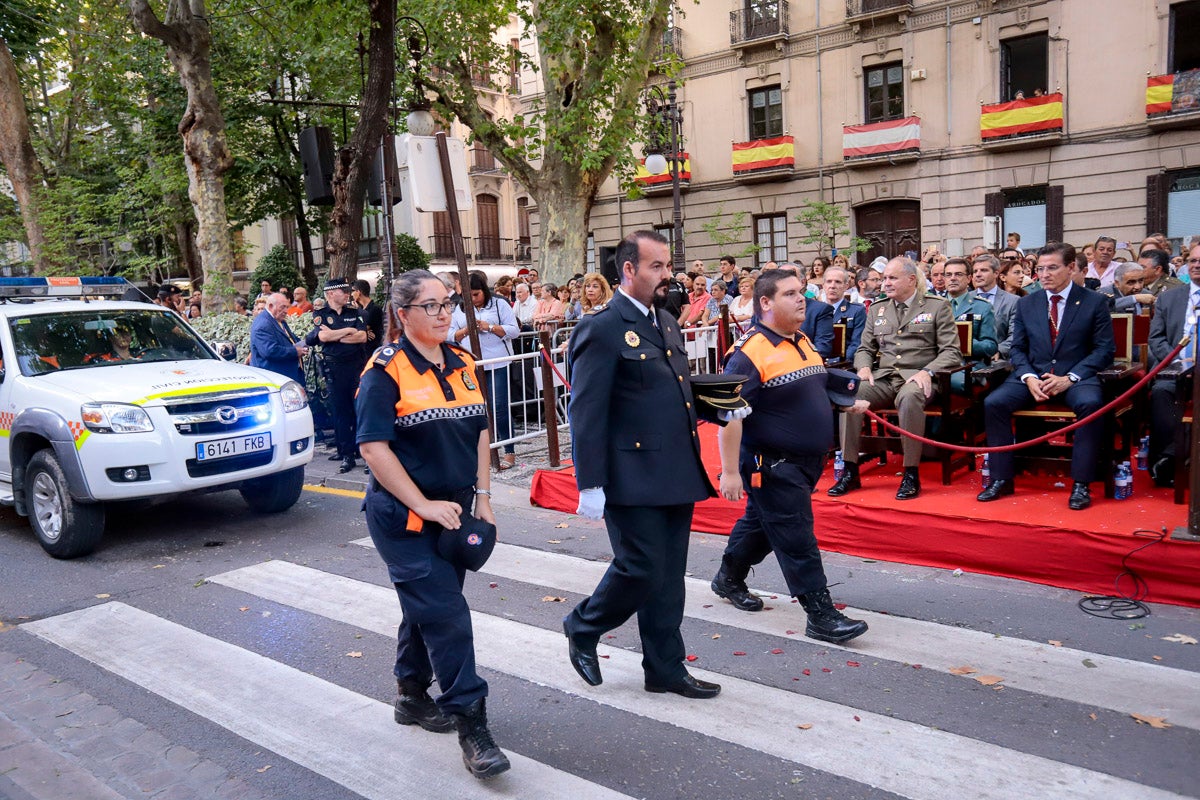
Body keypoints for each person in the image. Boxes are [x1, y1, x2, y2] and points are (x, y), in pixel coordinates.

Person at [355, 269, 510, 780]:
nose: (445, 313)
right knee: (446, 613)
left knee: (426, 606)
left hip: (455, 513)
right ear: (403, 315)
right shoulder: (385, 370)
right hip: (404, 519)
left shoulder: (463, 361)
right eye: (431, 306)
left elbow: (481, 433)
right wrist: (421, 504)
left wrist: (483, 498)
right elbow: (374, 448)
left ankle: (410, 693)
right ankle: (472, 723)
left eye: (448, 303)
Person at [562, 230, 722, 700]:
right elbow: (586, 410)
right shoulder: (602, 327)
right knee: (641, 567)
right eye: (657, 266)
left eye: (667, 265)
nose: (667, 274)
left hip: (674, 467)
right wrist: (589, 481)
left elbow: (676, 387)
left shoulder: (665, 320)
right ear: (628, 270)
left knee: (669, 578)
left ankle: (665, 667)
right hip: (629, 473)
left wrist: (720, 405)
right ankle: (584, 625)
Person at [710, 270, 869, 644]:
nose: (802, 299)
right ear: (765, 303)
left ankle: (728, 578)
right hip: (772, 463)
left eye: (802, 292)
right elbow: (728, 415)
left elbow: (813, 382)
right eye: (790, 294)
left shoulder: (799, 339)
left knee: (764, 525)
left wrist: (844, 401)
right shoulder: (747, 354)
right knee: (796, 535)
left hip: (806, 461)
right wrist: (729, 472)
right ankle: (820, 614)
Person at [978, 242, 1116, 510]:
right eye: (1040, 269)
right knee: (994, 403)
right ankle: (1001, 478)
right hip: (1034, 376)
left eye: (1052, 268)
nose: (1044, 274)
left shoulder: (1094, 302)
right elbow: (1017, 348)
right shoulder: (1028, 303)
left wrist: (1070, 377)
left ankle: (1080, 483)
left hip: (1076, 377)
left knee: (1090, 404)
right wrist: (1029, 376)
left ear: (1071, 267)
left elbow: (1104, 350)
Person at [828, 257, 961, 501]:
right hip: (885, 377)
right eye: (884, 278)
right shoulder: (878, 308)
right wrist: (864, 368)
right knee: (850, 395)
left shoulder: (936, 306)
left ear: (911, 280)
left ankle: (911, 472)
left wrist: (927, 371)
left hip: (919, 379)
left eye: (891, 278)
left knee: (909, 399)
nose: (885, 283)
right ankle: (850, 470)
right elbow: (865, 348)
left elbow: (952, 352)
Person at [449, 273, 521, 470]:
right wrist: (465, 331)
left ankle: (509, 451)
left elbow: (514, 330)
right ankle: (484, 451)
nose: (473, 299)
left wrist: (490, 327)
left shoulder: (499, 304)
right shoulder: (460, 308)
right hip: (472, 365)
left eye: (476, 294)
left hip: (498, 362)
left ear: (484, 291)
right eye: (468, 295)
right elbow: (449, 335)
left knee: (499, 407)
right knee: (477, 408)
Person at [1146, 244, 1200, 486]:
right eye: (1193, 260)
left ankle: (1171, 457)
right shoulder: (1169, 297)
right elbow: (1155, 338)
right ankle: (1168, 457)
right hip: (1175, 370)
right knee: (1160, 392)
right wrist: (1177, 360)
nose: (1197, 265)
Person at [309, 277, 368, 473]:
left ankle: (366, 454)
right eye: (344, 291)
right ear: (331, 294)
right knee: (341, 413)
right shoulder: (321, 314)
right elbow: (323, 337)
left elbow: (362, 336)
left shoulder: (355, 312)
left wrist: (338, 335)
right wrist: (348, 331)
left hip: (356, 367)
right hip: (334, 369)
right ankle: (347, 455)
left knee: (361, 410)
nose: (348, 294)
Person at [250, 292, 307, 384]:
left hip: (286, 376)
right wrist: (295, 351)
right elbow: (270, 351)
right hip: (273, 379)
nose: (286, 311)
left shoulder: (278, 319)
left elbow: (291, 339)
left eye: (287, 307)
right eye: (282, 307)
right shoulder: (263, 324)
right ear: (271, 306)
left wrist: (305, 343)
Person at [973, 253, 1018, 358]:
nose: (978, 274)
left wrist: (998, 350)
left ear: (996, 273)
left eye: (984, 270)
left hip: (997, 360)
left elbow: (1015, 335)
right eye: (975, 271)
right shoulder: (965, 299)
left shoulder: (1012, 301)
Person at [823, 267, 866, 361]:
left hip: (843, 365)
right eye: (829, 281)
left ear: (846, 286)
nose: (832, 286)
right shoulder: (814, 311)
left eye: (838, 282)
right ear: (823, 285)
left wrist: (835, 362)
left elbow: (856, 344)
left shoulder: (856, 311)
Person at [353, 279, 384, 356]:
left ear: (358, 292)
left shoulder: (374, 309)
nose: (351, 294)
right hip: (362, 351)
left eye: (353, 291)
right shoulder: (361, 309)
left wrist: (363, 330)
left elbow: (362, 327)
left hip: (372, 351)